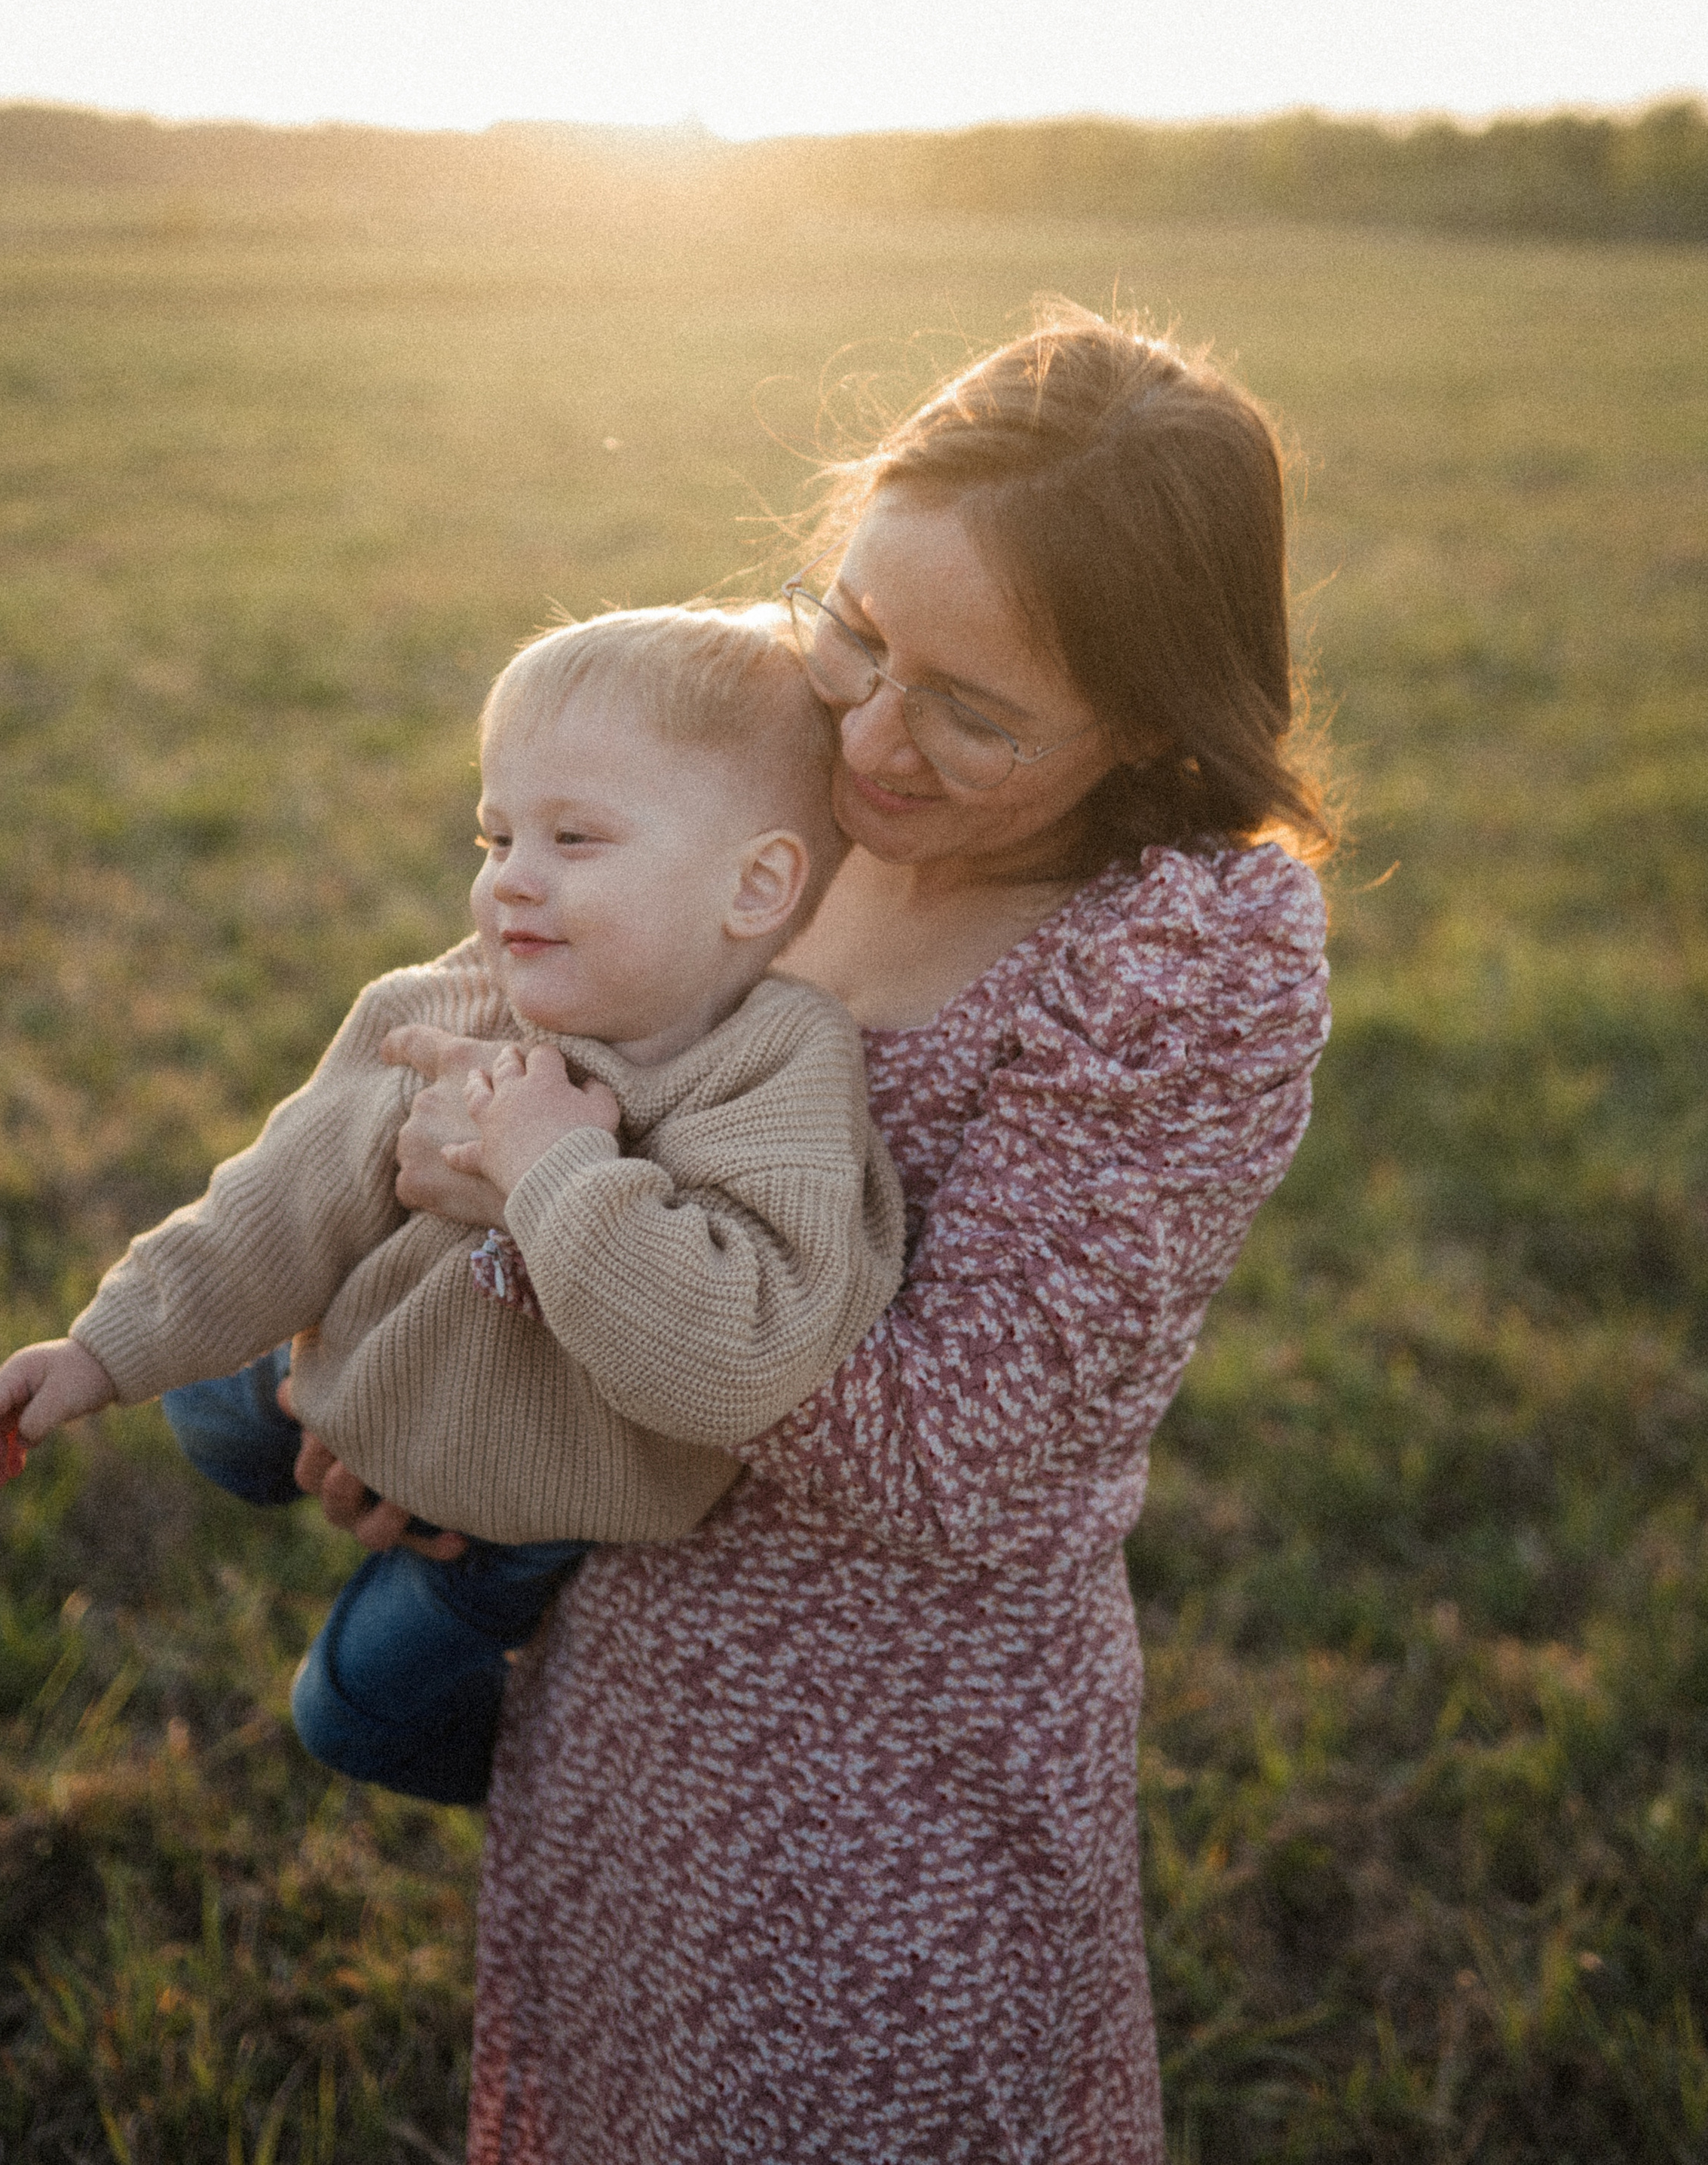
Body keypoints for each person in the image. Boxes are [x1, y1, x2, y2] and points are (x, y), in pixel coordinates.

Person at [364, 308, 1336, 2162]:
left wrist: (561, 1214)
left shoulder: (1185, 956)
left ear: (1150, 713)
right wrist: (429, 1393)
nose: (869, 740)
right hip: (613, 1653)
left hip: (879, 1767)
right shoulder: (756, 758)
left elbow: (945, 1454)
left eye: (972, 710)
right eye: (858, 629)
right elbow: (533, 1065)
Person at [0, 606, 905, 1805]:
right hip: (380, 1352)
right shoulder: (459, 999)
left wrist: (550, 1167)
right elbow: (284, 1189)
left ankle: (532, 1785)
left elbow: (733, 1355)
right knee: (209, 1413)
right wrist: (99, 1348)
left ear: (755, 882)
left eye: (574, 836)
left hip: (532, 1504)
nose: (511, 874)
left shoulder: (780, 1066)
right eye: (496, 829)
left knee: (349, 1712)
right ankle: (263, 1411)